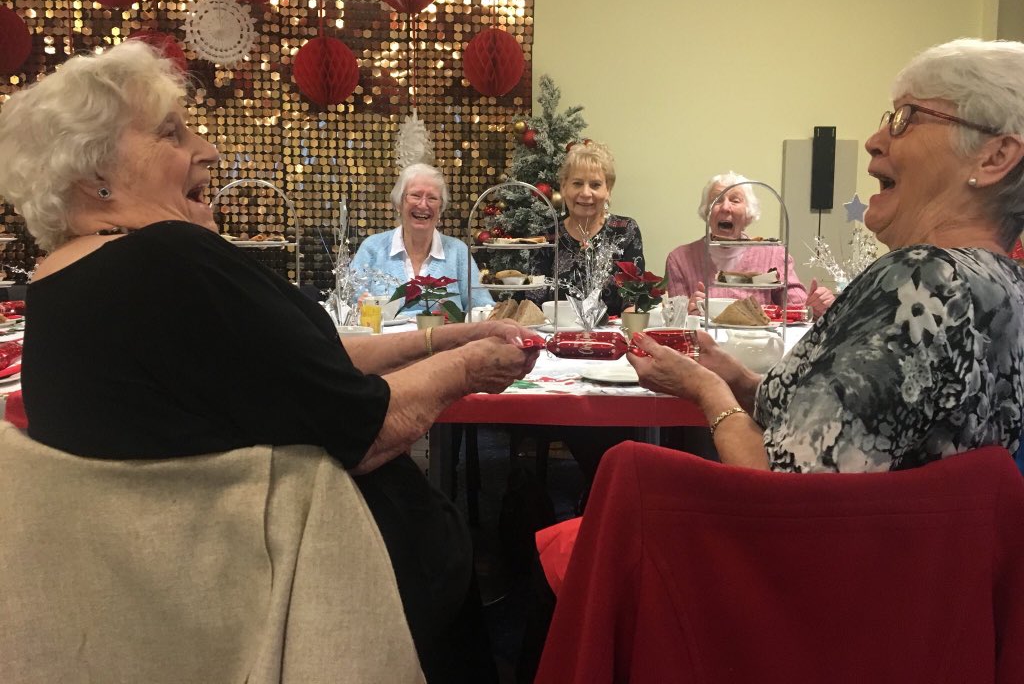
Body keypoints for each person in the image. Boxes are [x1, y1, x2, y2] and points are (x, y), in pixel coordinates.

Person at [0, 40, 541, 683]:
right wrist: (471, 366)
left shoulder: (64, 280)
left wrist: (440, 341)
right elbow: (364, 429)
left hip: (180, 592)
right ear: (96, 174)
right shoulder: (170, 259)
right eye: (172, 132)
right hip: (321, 591)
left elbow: (298, 361)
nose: (207, 149)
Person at [632, 38, 1024, 472]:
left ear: (994, 157)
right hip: (913, 520)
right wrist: (739, 380)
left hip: (813, 519)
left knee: (629, 467)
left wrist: (707, 391)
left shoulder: (923, 278)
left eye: (905, 119)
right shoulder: (1005, 285)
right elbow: (843, 423)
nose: (873, 141)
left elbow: (787, 484)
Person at [664, 171, 835, 318]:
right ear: (707, 212)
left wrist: (817, 306)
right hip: (705, 344)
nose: (725, 207)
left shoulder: (773, 255)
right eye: (717, 200)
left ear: (748, 214)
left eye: (735, 200)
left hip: (760, 344)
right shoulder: (680, 260)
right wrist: (687, 313)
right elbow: (674, 323)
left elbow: (799, 309)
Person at [351, 162, 492, 314]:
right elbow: (347, 307)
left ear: (440, 208)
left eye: (432, 198)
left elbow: (483, 308)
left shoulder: (458, 252)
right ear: (399, 203)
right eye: (415, 195)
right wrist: (358, 306)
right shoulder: (372, 248)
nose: (423, 205)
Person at [534, 140, 644, 317]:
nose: (585, 193)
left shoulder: (625, 231)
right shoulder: (547, 237)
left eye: (595, 185)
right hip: (557, 332)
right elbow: (534, 302)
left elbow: (632, 300)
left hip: (614, 332)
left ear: (608, 190)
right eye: (577, 183)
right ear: (563, 187)